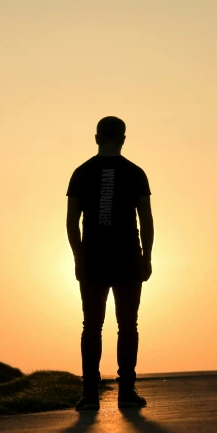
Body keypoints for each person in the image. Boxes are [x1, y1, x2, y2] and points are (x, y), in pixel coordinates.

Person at [66, 116, 154, 410]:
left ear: (96, 138)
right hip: (128, 258)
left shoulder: (81, 172)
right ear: (124, 139)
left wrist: (78, 257)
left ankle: (90, 394)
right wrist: (147, 256)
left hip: (92, 259)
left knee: (91, 325)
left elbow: (70, 222)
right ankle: (126, 392)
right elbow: (147, 220)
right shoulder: (135, 173)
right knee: (128, 325)